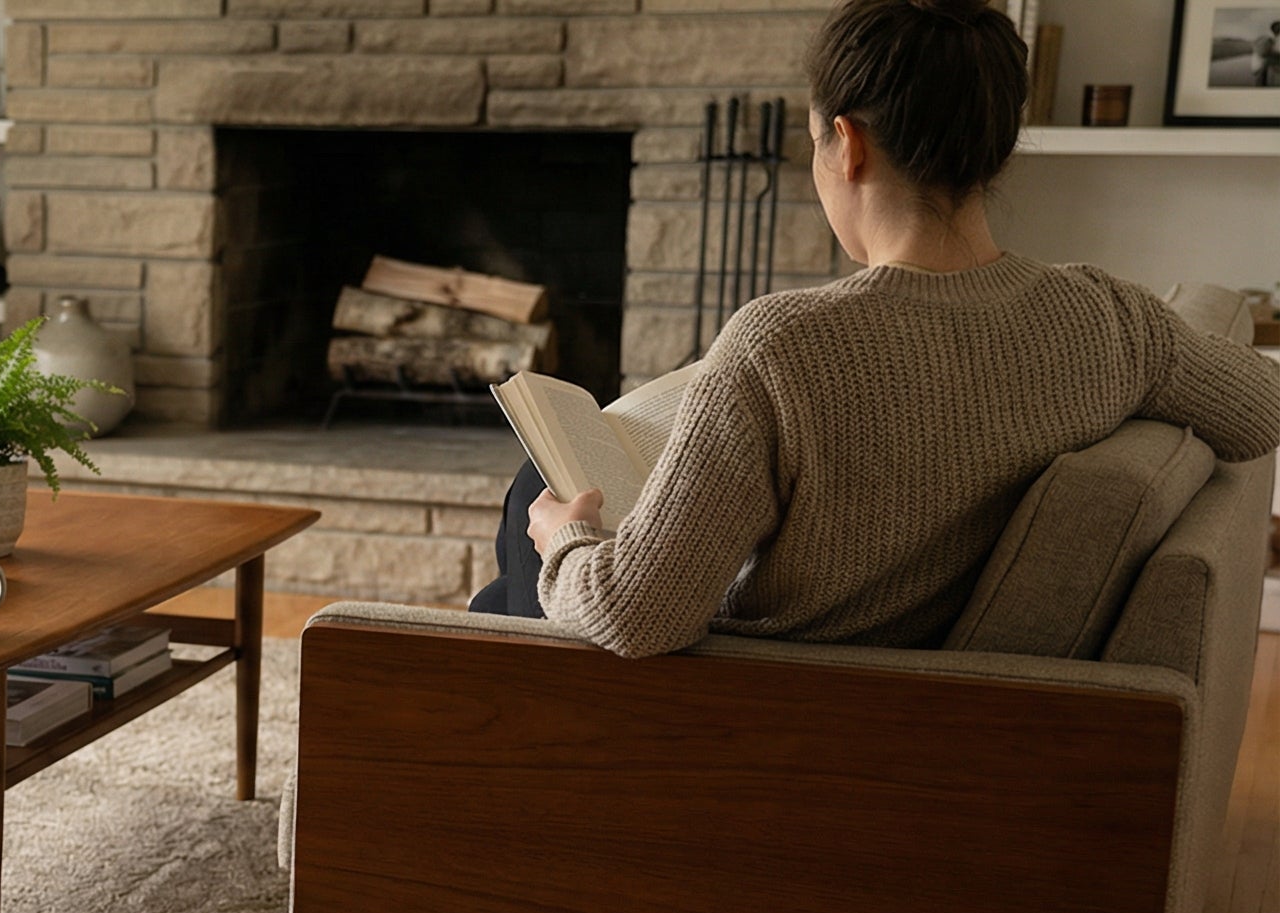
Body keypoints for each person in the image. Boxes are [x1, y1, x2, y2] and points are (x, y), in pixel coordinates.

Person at [469, 0, 1280, 657]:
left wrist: (570, 543)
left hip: (760, 709)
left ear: (847, 145)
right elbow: (1259, 409)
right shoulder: (1107, 318)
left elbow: (634, 617)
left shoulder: (783, 346)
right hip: (911, 701)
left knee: (532, 508)